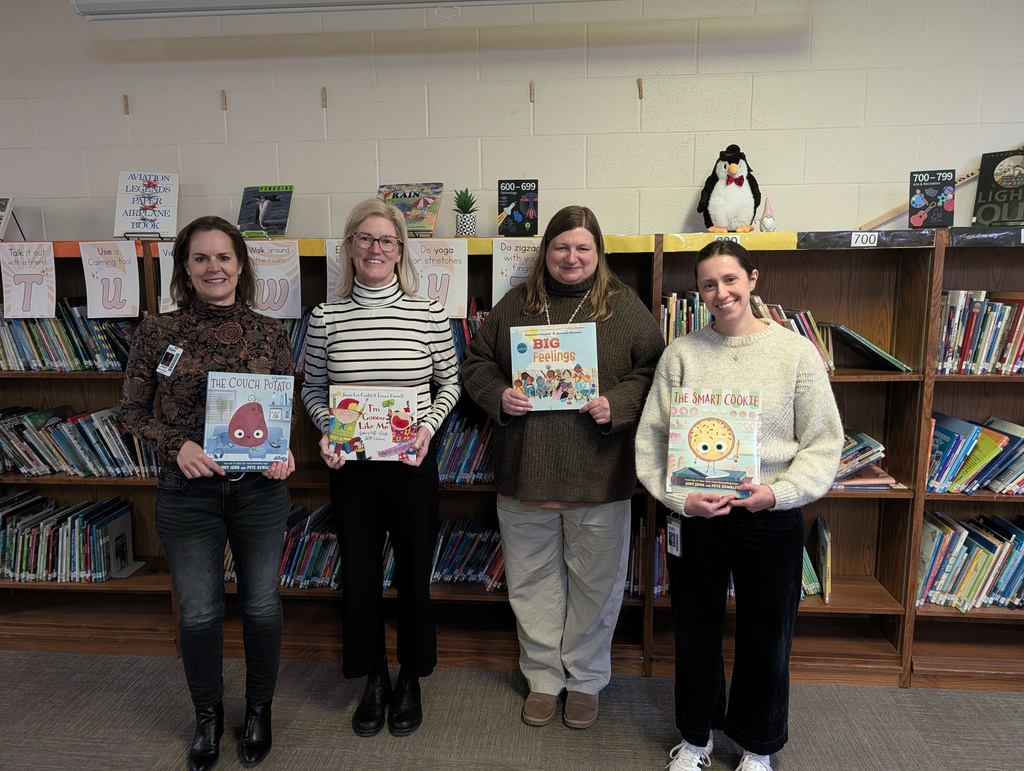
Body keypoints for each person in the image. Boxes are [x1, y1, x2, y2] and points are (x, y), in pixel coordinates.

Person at [635, 240, 843, 771]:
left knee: (768, 631)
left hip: (769, 515)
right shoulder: (680, 354)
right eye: (708, 284)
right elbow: (652, 441)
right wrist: (681, 499)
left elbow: (823, 441)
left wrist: (779, 493)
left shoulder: (795, 353)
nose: (720, 292)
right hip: (699, 516)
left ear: (753, 278)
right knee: (693, 628)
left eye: (730, 280)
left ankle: (758, 745)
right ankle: (697, 738)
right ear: (699, 292)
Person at [461, 205, 665, 730]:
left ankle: (586, 678)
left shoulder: (625, 308)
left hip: (599, 474)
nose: (571, 258)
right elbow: (475, 363)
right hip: (526, 474)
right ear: (545, 252)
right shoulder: (516, 304)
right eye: (561, 247)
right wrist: (498, 395)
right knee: (531, 584)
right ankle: (544, 678)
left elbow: (655, 369)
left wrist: (616, 404)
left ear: (599, 254)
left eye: (583, 248)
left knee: (597, 587)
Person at [120, 215, 296, 771]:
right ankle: (208, 719)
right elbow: (128, 411)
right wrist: (176, 445)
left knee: (263, 605)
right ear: (186, 268)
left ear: (240, 265)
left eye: (223, 257)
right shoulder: (156, 331)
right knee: (198, 612)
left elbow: (282, 412)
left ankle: (260, 711)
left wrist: (284, 453)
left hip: (258, 493)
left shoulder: (270, 332)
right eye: (200, 258)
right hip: (187, 494)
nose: (213, 267)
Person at [300, 198, 461, 738]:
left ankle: (411, 678)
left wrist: (428, 428)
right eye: (365, 239)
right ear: (349, 247)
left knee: (415, 575)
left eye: (385, 240)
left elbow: (450, 384)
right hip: (352, 466)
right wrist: (327, 428)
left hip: (412, 462)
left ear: (400, 250)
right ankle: (373, 678)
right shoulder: (326, 317)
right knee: (362, 577)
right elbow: (313, 388)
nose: (375, 248)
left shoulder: (429, 313)